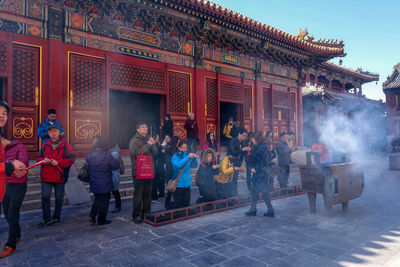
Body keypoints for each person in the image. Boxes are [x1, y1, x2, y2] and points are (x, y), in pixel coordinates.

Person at [0, 101, 28, 258]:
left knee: (12, 214)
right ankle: (16, 234)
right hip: (5, 184)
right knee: (8, 213)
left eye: (4, 112)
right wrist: (10, 167)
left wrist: (14, 168)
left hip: (18, 185)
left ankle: (10, 244)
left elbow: (22, 167)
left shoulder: (19, 147)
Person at [37, 124, 75, 229]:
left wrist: (58, 162)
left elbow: (71, 159)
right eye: (51, 132)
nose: (53, 133)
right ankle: (46, 218)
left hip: (59, 175)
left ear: (59, 132)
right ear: (48, 133)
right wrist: (43, 160)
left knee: (59, 198)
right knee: (45, 197)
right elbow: (38, 157)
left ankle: (56, 217)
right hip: (46, 175)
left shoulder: (65, 145)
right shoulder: (45, 145)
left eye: (55, 131)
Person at [129, 122, 157, 224]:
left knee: (147, 194)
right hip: (139, 170)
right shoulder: (134, 140)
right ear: (138, 130)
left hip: (148, 170)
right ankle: (136, 215)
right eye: (143, 127)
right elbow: (135, 153)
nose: (145, 128)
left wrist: (152, 144)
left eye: (146, 126)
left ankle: (147, 213)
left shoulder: (149, 138)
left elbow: (155, 153)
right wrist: (147, 145)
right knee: (138, 194)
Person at [87, 136, 119, 225]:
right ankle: (101, 220)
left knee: (97, 199)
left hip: (94, 180)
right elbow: (115, 166)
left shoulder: (91, 156)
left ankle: (92, 215)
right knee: (104, 201)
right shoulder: (107, 156)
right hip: (105, 181)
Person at [245, 131, 275, 217]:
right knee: (255, 191)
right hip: (259, 173)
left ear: (256, 139)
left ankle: (269, 210)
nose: (252, 141)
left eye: (253, 139)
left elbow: (264, 161)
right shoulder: (258, 147)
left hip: (261, 173)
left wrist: (255, 168)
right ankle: (254, 209)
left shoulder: (262, 148)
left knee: (263, 192)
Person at [171, 141, 198, 208]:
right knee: (179, 204)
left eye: (186, 148)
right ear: (179, 148)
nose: (185, 149)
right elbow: (179, 165)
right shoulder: (175, 156)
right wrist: (188, 157)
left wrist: (194, 158)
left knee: (186, 204)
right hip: (178, 184)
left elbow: (194, 166)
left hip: (187, 184)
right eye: (183, 147)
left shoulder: (187, 156)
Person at [227, 128, 250, 196]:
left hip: (238, 163)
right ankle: (232, 195)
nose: (244, 137)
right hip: (231, 162)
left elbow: (243, 153)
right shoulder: (233, 141)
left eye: (245, 136)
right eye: (243, 135)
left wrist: (248, 151)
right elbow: (233, 152)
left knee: (235, 178)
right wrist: (242, 149)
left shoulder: (244, 142)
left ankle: (235, 194)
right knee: (232, 179)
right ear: (239, 134)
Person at [107, 140, 123, 213]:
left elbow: (111, 164)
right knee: (114, 191)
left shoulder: (114, 153)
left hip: (114, 174)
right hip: (113, 174)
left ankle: (118, 206)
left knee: (115, 191)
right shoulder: (114, 151)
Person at [164, 135, 178, 209]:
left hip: (170, 170)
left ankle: (169, 203)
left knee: (171, 188)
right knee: (172, 188)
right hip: (170, 170)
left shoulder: (169, 147)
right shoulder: (171, 148)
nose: (166, 139)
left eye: (167, 138)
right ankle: (170, 203)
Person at [152, 135, 166, 202]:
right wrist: (161, 152)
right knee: (155, 182)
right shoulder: (152, 146)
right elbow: (155, 154)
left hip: (160, 165)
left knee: (162, 180)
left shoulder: (159, 145)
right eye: (157, 137)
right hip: (155, 166)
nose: (158, 138)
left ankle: (161, 193)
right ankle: (154, 197)